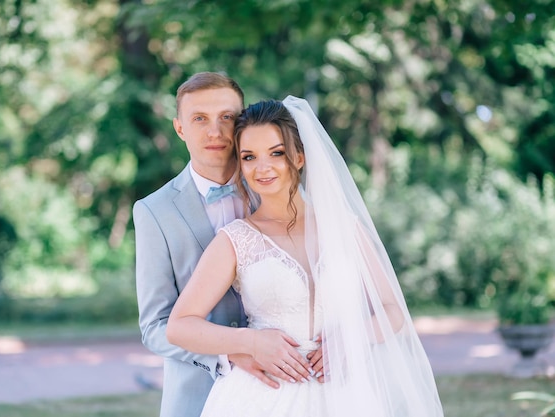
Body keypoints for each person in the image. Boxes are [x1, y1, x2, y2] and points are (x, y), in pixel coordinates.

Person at [167, 96, 445, 416]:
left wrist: (353, 339)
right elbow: (179, 326)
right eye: (249, 156)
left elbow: (392, 309)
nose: (263, 167)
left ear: (298, 157)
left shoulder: (346, 228)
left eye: (276, 153)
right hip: (265, 397)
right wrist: (250, 342)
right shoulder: (236, 239)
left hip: (348, 392)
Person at [133, 73, 319, 417]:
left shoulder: (277, 183)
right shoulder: (153, 211)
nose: (215, 132)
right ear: (179, 128)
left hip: (298, 384)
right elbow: (156, 325)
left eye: (226, 118)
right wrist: (234, 351)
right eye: (199, 119)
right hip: (199, 393)